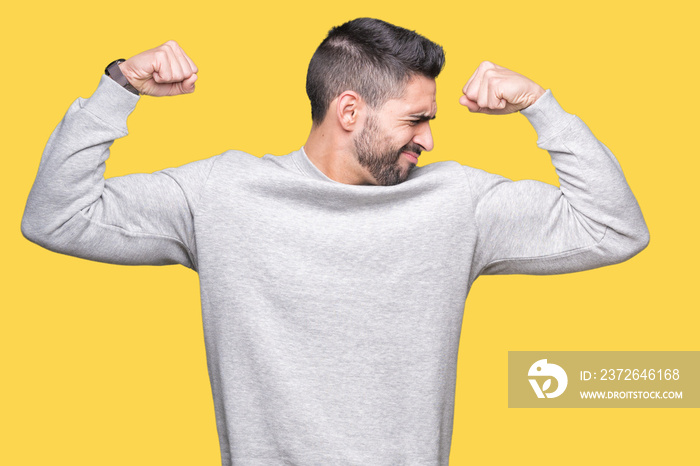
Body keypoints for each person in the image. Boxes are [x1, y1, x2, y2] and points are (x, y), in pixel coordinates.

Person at [22, 17, 648, 466]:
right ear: (349, 112)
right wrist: (118, 88)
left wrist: (542, 106)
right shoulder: (222, 193)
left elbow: (614, 228)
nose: (429, 139)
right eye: (417, 119)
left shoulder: (459, 203)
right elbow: (57, 217)